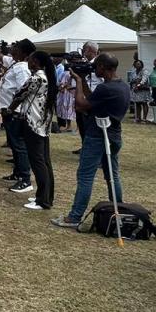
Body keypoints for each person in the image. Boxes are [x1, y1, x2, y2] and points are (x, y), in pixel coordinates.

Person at [52, 54, 129, 229]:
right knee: (112, 175)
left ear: (103, 66)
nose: (95, 69)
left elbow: (81, 104)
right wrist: (84, 81)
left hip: (97, 136)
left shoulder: (106, 88)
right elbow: (93, 99)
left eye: (97, 66)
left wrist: (78, 82)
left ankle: (74, 216)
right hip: (115, 135)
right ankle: (119, 209)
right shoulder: (122, 85)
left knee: (85, 176)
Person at [0, 34, 34, 192]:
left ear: (23, 52)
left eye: (15, 47)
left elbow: (24, 90)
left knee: (19, 145)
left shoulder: (23, 68)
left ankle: (25, 179)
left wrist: (12, 108)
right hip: (7, 110)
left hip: (14, 111)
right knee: (14, 143)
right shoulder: (14, 63)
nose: (12, 49)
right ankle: (17, 172)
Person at [10, 51, 58, 210]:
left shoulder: (36, 78)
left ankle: (43, 200)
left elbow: (20, 94)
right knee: (45, 161)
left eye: (29, 60)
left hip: (33, 123)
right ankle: (45, 196)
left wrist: (9, 109)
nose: (27, 62)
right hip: (42, 123)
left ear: (35, 61)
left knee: (38, 162)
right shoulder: (47, 77)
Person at [56, 55, 76, 133]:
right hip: (70, 94)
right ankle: (70, 126)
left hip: (67, 94)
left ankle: (69, 126)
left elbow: (62, 83)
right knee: (69, 110)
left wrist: (61, 87)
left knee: (68, 110)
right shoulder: (70, 74)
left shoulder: (66, 74)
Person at [127, 59, 151, 123]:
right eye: (136, 64)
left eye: (139, 64)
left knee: (144, 103)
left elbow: (144, 79)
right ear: (134, 65)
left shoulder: (144, 71)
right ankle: (138, 118)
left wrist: (138, 85)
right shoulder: (133, 71)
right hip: (136, 90)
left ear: (142, 65)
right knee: (137, 103)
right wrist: (133, 83)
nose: (138, 65)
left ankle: (144, 119)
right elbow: (131, 79)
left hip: (143, 89)